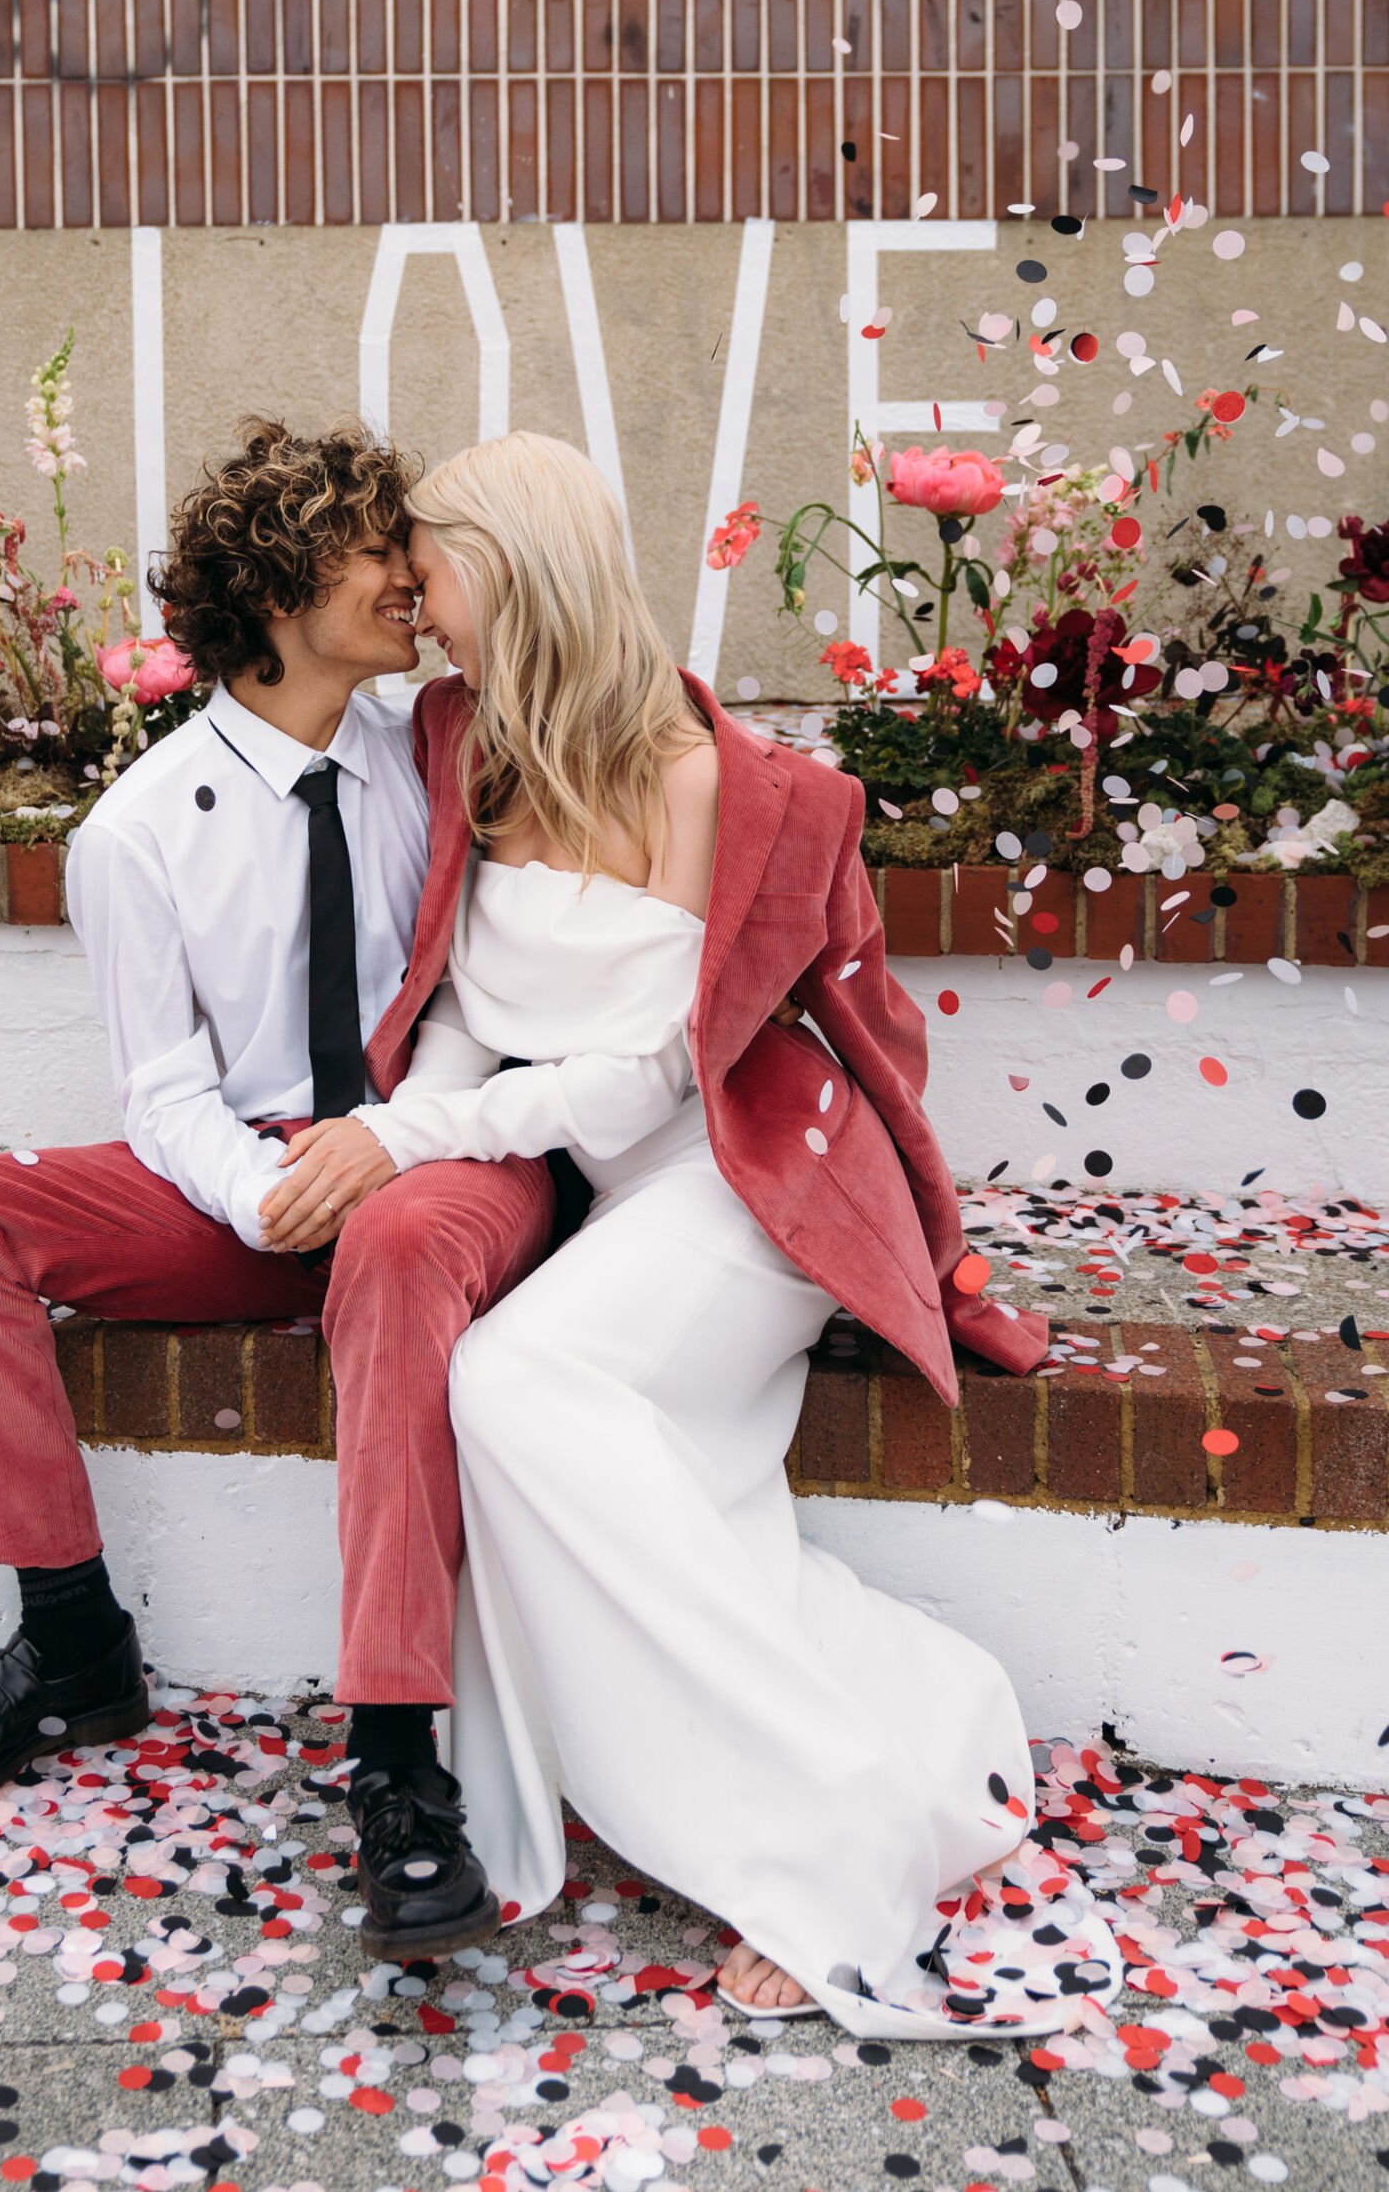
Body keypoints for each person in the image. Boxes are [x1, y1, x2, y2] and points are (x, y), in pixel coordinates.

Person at [252, 430, 1121, 2040]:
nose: (413, 603)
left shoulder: (712, 779)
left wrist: (403, 1133)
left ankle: (829, 1843)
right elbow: (452, 1010)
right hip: (605, 1191)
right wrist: (395, 1132)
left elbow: (643, 1069)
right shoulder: (465, 736)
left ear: (504, 571)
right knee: (610, 1458)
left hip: (738, 1186)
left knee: (515, 1388)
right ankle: (845, 1738)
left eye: (430, 567)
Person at [0, 419, 560, 1968]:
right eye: (376, 549)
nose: (408, 575)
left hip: (446, 1165)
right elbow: (164, 1093)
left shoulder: (446, 741)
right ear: (279, 587)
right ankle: (68, 1643)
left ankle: (394, 1757)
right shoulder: (135, 834)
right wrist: (261, 1196)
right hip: (263, 1177)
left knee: (388, 1241)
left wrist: (386, 1151)